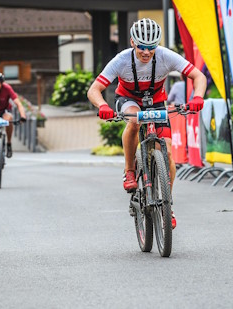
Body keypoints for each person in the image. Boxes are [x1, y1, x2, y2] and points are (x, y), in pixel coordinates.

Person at [87, 18, 207, 228]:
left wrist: (197, 97)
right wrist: (103, 106)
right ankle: (130, 170)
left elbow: (198, 76)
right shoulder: (121, 60)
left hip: (157, 100)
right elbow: (94, 89)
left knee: (168, 153)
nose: (146, 51)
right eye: (141, 46)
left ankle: (167, 205)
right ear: (133, 42)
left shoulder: (165, 56)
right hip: (129, 99)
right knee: (134, 121)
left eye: (151, 47)